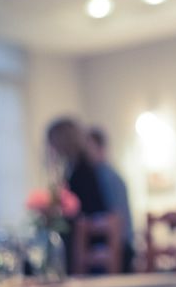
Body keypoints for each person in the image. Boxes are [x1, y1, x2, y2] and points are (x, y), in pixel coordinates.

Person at [47, 117, 107, 272]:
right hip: (86, 236)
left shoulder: (82, 170)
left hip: (90, 240)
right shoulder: (76, 166)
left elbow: (81, 209)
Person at [87, 127, 135, 273]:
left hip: (119, 247)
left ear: (100, 148)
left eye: (89, 148)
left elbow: (118, 217)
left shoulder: (108, 176)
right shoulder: (99, 174)